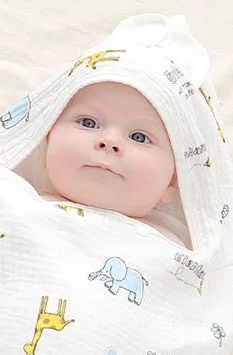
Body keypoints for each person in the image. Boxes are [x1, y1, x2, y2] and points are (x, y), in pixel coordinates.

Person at [39, 80, 184, 244]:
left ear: (171, 182)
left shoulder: (168, 247)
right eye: (88, 123)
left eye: (139, 137)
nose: (109, 141)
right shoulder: (19, 201)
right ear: (47, 145)